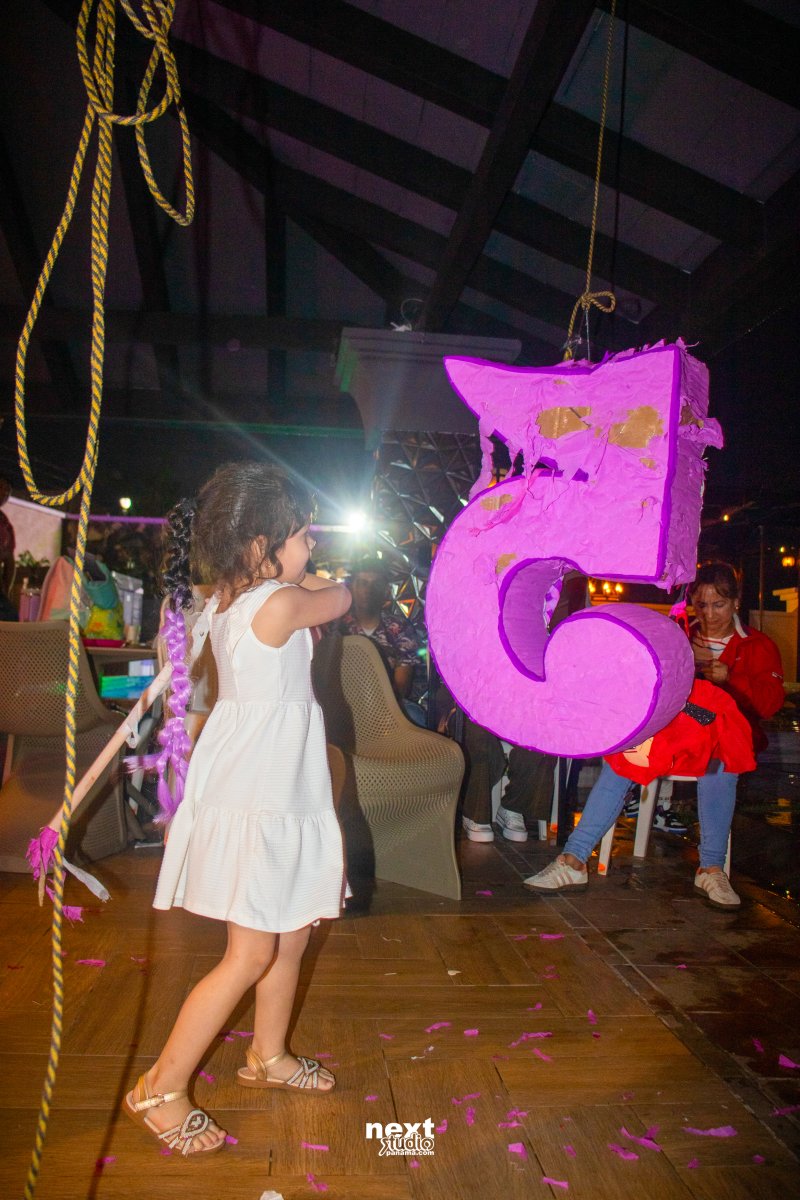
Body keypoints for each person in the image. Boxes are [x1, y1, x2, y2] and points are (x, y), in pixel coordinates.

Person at [123, 462, 352, 1156]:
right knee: (250, 951)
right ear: (260, 547)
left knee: (292, 928)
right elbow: (343, 596)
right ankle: (159, 1087)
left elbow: (303, 590)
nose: (312, 546)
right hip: (260, 788)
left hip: (275, 781)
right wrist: (310, 580)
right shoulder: (278, 604)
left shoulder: (231, 600)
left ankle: (269, 1054)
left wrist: (293, 572)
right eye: (302, 535)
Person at [523, 562, 784, 910]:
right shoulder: (680, 633)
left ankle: (711, 868)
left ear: (736, 602)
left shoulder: (756, 645)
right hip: (674, 733)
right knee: (624, 756)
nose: (709, 614)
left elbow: (770, 703)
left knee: (722, 763)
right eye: (702, 605)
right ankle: (574, 860)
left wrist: (731, 679)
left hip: (721, 739)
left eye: (718, 605)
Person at [331, 556, 421, 709]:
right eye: (363, 583)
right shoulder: (337, 627)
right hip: (343, 708)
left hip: (389, 709)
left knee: (414, 713)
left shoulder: (399, 628)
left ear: (385, 590)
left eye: (376, 584)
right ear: (352, 587)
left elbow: (401, 687)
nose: (368, 590)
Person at [0, 478, 17, 620]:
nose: (5, 493)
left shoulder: (4, 522)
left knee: (10, 617)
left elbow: (9, 558)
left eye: (8, 490)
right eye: (1, 487)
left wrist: (6, 589)